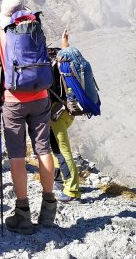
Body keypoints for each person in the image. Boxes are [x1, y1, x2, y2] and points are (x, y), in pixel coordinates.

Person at [0, 0, 56, 235]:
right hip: (41, 98)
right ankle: (48, 210)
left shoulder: (0, 35)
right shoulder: (35, 30)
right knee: (44, 150)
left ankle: (23, 215)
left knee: (17, 156)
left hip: (13, 101)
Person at [50, 29, 81, 202]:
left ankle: (72, 191)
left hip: (56, 115)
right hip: (68, 111)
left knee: (62, 150)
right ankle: (57, 180)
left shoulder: (49, 69)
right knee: (54, 147)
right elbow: (66, 55)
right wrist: (64, 42)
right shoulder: (62, 64)